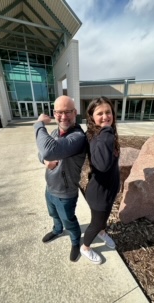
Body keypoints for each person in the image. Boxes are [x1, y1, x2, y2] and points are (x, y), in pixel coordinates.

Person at [34, 95, 87, 262]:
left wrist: (38, 124)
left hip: (65, 192)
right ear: (54, 113)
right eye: (59, 112)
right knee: (53, 214)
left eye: (68, 112)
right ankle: (57, 230)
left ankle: (75, 241)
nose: (63, 116)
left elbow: (49, 149)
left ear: (75, 112)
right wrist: (45, 161)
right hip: (50, 187)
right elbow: (43, 153)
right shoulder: (55, 132)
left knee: (69, 220)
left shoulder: (78, 138)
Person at [80, 96, 120, 264]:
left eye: (108, 112)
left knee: (103, 219)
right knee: (95, 224)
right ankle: (85, 247)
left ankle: (102, 232)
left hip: (109, 189)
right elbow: (102, 165)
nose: (105, 116)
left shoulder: (105, 134)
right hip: (98, 193)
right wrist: (107, 132)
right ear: (92, 117)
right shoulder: (97, 136)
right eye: (100, 113)